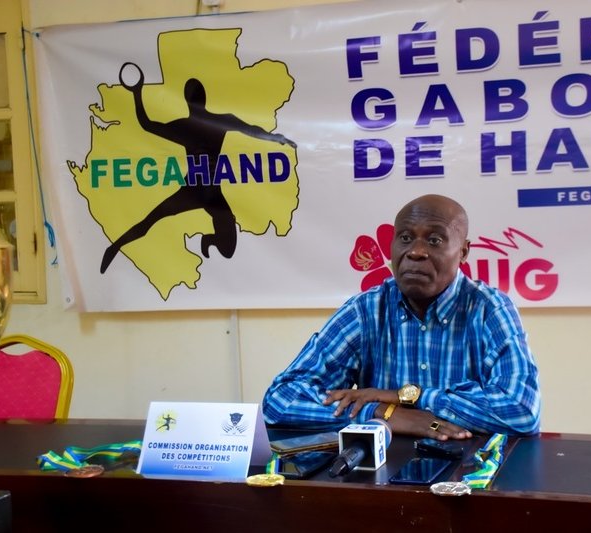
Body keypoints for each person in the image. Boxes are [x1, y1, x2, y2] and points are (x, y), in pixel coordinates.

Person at [262, 194, 540, 440]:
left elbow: (522, 411)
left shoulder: (489, 309)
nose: (416, 252)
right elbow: (280, 400)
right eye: (405, 238)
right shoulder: (367, 309)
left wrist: (409, 396)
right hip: (381, 471)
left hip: (470, 471)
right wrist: (383, 413)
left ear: (463, 252)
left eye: (434, 240)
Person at [100, 62, 296, 274]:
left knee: (227, 249)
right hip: (191, 191)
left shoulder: (217, 122)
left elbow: (251, 130)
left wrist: (275, 137)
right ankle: (115, 247)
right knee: (150, 220)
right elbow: (147, 125)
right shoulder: (186, 126)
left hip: (213, 194)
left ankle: (208, 240)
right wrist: (137, 93)